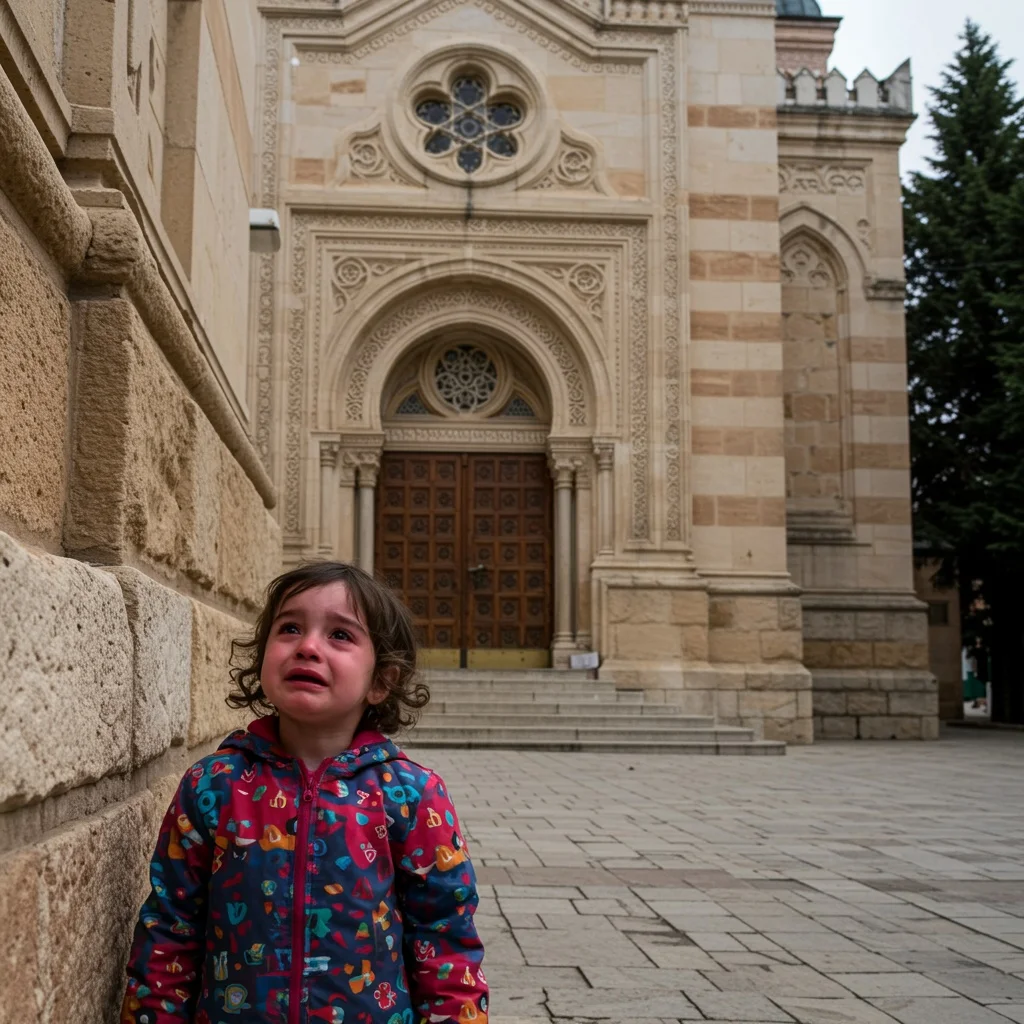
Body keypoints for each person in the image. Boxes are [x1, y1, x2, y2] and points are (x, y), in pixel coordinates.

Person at [121, 562, 488, 1024]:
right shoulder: (212, 785)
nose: (308, 647)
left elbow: (446, 938)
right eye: (290, 628)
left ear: (381, 681)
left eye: (340, 635)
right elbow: (169, 930)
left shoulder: (412, 796)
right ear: (263, 657)